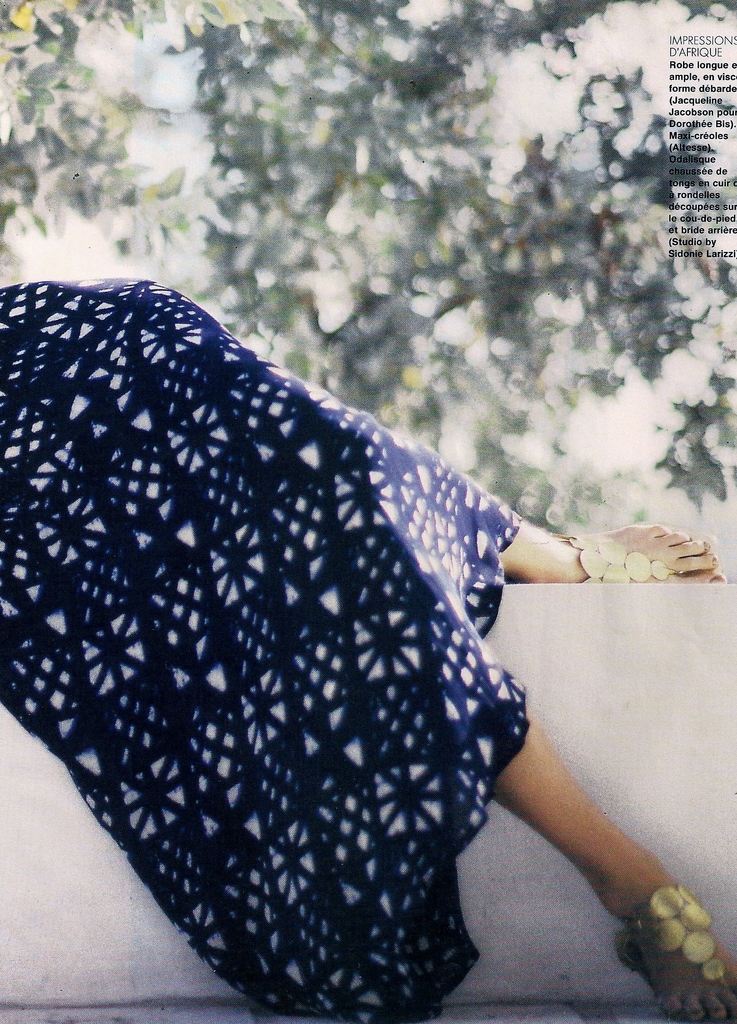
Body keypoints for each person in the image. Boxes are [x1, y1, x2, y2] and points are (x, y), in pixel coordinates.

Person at [0, 278, 731, 1023]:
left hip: (54, 329)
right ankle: (629, 879)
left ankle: (545, 555)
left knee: (311, 453)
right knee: (302, 564)